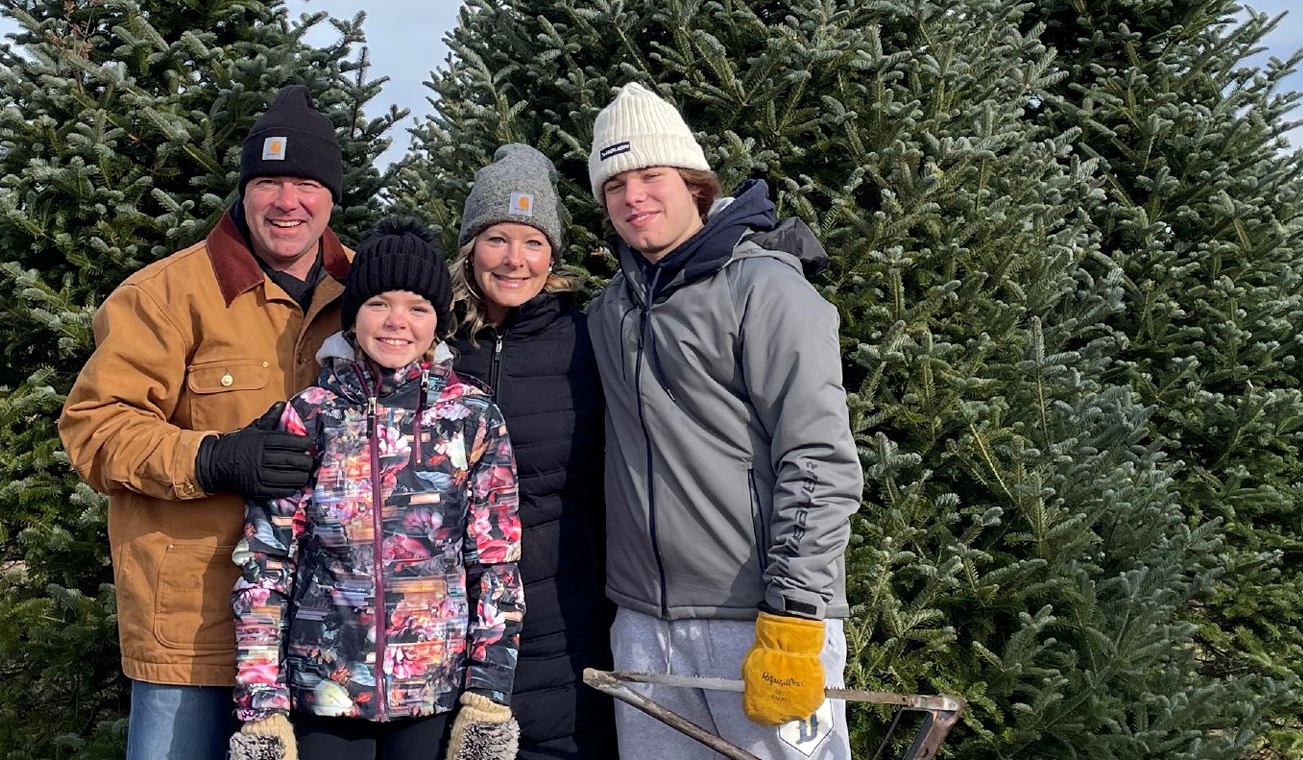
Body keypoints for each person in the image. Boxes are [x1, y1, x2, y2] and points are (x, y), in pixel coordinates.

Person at [59, 84, 353, 760]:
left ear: (332, 194)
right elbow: (94, 427)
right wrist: (212, 459)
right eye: (269, 182)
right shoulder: (164, 295)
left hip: (330, 622)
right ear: (244, 191)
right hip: (195, 627)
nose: (288, 202)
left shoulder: (370, 295)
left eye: (306, 182)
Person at [584, 82, 862, 760]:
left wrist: (794, 617)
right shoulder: (609, 311)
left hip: (759, 622)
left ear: (694, 185)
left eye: (652, 175)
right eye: (615, 183)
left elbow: (819, 459)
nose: (633, 197)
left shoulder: (765, 291)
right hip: (645, 627)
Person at [227, 220, 526, 760]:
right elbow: (266, 566)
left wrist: (487, 700)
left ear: (437, 322)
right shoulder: (310, 416)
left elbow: (496, 567)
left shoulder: (472, 417)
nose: (396, 322)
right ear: (354, 315)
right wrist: (260, 708)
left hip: (435, 694)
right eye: (379, 304)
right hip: (321, 694)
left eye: (416, 307)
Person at [449, 144, 618, 759]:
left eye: (533, 242)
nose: (514, 260)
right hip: (448, 608)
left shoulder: (587, 338)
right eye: (497, 239)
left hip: (565, 605)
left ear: (553, 256)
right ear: (471, 247)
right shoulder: (432, 340)